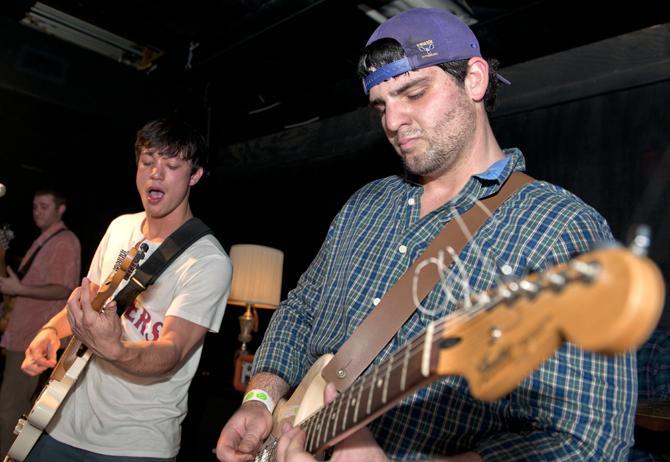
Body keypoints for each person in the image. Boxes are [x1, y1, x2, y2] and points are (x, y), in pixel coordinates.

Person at [216, 7, 637, 462]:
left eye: (413, 93)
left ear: (474, 80)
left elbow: (585, 440)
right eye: (381, 106)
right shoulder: (366, 204)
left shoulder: (560, 228)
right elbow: (301, 309)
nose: (392, 122)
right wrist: (259, 400)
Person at [20, 118, 232, 461]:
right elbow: (88, 299)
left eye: (172, 165)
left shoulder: (208, 261)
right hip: (61, 421)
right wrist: (50, 332)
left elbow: (173, 351)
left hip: (135, 442)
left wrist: (115, 349)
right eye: (148, 162)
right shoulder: (121, 227)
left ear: (195, 175)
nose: (156, 174)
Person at [0, 189, 81, 457]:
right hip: (22, 334)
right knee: (11, 409)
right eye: (35, 206)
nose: (37, 211)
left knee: (9, 412)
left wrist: (19, 289)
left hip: (34, 340)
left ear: (61, 209)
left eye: (44, 206)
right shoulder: (44, 239)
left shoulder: (65, 241)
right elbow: (20, 283)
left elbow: (63, 289)